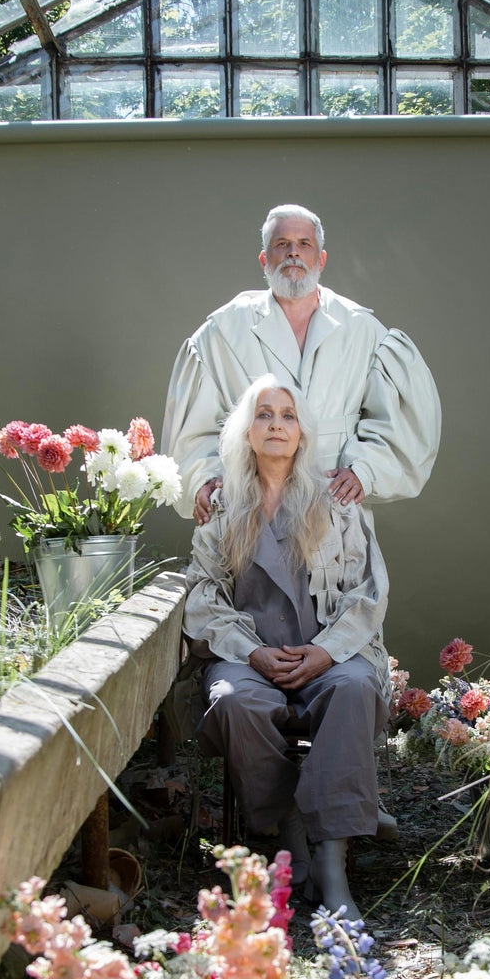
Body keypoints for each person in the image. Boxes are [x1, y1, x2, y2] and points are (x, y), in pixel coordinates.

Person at [183, 374, 390, 920]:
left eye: (288, 415)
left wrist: (327, 651)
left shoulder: (337, 502)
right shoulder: (221, 506)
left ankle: (331, 863)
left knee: (354, 687)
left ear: (303, 432)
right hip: (248, 655)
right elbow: (202, 595)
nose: (276, 425)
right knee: (232, 702)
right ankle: (291, 831)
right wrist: (250, 652)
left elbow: (369, 592)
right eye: (264, 414)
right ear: (245, 431)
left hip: (326, 655)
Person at [162, 203, 441, 527]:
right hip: (248, 515)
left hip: (335, 514)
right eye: (282, 244)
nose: (293, 253)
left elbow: (398, 427)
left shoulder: (362, 329)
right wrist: (204, 480)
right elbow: (195, 432)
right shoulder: (223, 331)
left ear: (320, 259)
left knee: (335, 577)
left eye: (304, 244)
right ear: (264, 260)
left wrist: (365, 470)